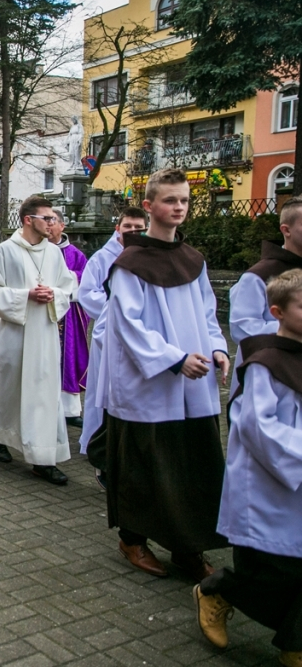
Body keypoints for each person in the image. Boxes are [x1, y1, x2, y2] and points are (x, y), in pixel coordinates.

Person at [99, 168, 229, 581]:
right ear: (150, 205)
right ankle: (133, 538)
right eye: (171, 200)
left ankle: (188, 546)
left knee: (191, 466)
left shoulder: (193, 260)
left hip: (195, 383)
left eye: (185, 200)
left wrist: (218, 348)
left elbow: (208, 314)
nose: (179, 207)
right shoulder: (131, 263)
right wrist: (174, 359)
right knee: (145, 467)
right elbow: (128, 325)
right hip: (149, 383)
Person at [193, 269, 302, 668]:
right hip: (271, 483)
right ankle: (217, 590)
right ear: (277, 312)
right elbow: (258, 426)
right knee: (272, 572)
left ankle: (295, 644)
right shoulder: (264, 362)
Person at [0, 196, 77, 485]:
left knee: (42, 392)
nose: (53, 223)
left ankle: (43, 457)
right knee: (6, 387)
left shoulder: (54, 253)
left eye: (53, 219)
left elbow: (68, 286)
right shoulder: (6, 250)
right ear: (29, 220)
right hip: (15, 331)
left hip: (44, 331)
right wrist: (25, 295)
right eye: (48, 218)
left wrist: (54, 293)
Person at [77, 207, 148, 458]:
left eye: (139, 228)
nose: (133, 231)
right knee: (102, 388)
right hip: (108, 333)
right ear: (118, 228)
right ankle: (97, 440)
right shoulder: (101, 258)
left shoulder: (150, 256)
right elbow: (86, 293)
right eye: (128, 226)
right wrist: (116, 306)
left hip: (142, 333)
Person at [228, 195, 302, 396]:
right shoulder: (258, 276)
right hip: (271, 373)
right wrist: (289, 330)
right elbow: (242, 327)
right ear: (286, 230)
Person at [48, 213, 90, 427]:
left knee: (68, 358)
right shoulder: (35, 250)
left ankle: (69, 410)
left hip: (68, 314)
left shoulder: (75, 254)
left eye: (52, 221)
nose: (48, 225)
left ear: (62, 225)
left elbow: (87, 279)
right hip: (43, 310)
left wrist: (66, 280)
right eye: (45, 220)